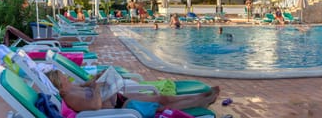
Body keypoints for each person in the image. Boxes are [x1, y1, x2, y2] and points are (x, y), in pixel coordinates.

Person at [45, 69, 219, 113]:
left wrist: (97, 79)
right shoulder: (69, 97)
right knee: (161, 104)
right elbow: (96, 105)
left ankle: (201, 95)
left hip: (118, 97)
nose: (66, 76)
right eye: (62, 77)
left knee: (162, 97)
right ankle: (200, 101)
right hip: (121, 108)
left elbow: (87, 86)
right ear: (58, 83)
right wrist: (97, 88)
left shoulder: (73, 88)